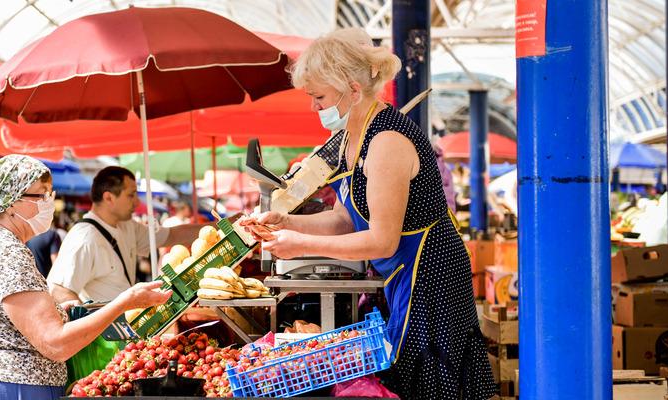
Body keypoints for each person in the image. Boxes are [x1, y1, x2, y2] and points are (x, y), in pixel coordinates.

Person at [253, 28, 495, 399]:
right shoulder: (352, 136)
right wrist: (287, 222)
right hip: (400, 277)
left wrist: (299, 245)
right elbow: (344, 218)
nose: (314, 107)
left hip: (429, 278)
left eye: (319, 96)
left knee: (432, 382)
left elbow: (382, 240)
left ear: (352, 88)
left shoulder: (386, 141)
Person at [0, 155, 171, 399]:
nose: (49, 202)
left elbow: (2, 318)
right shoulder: (8, 251)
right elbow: (55, 344)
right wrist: (125, 302)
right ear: (9, 202)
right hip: (10, 387)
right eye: (40, 195)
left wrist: (57, 309)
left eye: (50, 194)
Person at [48, 167, 220, 303]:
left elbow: (171, 236)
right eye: (131, 195)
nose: (137, 202)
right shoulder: (84, 238)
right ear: (108, 198)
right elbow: (59, 290)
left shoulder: (127, 226)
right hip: (106, 340)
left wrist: (221, 226)